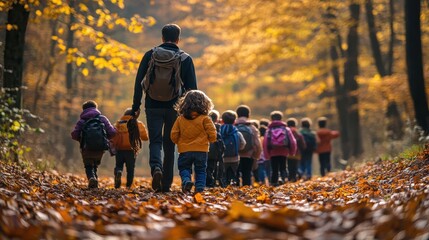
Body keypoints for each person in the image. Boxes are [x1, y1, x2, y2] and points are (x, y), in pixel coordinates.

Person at [131, 23, 197, 192]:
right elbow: (192, 89)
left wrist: (136, 105)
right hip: (175, 107)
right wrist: (190, 111)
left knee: (155, 141)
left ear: (162, 37)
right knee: (170, 143)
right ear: (178, 38)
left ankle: (156, 169)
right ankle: (166, 184)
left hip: (152, 105)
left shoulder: (150, 55)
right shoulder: (185, 58)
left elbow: (139, 81)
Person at [170, 90, 217, 193]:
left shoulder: (180, 119)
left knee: (184, 168)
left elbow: (174, 135)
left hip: (184, 150)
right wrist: (210, 140)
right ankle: (199, 189)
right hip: (201, 149)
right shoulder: (205, 119)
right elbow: (212, 133)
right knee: (200, 170)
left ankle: (186, 181)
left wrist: (179, 142)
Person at [71, 100, 116, 189]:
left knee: (88, 165)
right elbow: (112, 132)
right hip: (100, 147)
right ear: (96, 108)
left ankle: (92, 178)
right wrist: (107, 138)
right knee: (95, 164)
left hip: (86, 147)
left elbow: (74, 134)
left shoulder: (82, 120)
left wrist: (80, 139)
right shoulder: (102, 118)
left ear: (84, 110)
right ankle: (95, 181)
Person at [111, 108, 149, 189]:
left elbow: (113, 136)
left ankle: (118, 172)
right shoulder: (138, 124)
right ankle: (128, 185)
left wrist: (113, 146)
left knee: (118, 165)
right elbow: (145, 137)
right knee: (130, 168)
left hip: (119, 149)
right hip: (131, 149)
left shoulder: (118, 124)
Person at [263, 111, 297, 186]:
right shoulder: (286, 129)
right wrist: (292, 152)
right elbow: (292, 141)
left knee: (274, 168)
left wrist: (266, 154)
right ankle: (284, 180)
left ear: (271, 119)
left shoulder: (269, 130)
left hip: (273, 151)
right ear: (281, 118)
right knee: (283, 167)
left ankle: (274, 183)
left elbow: (265, 142)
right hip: (284, 151)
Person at [235, 105, 262, 186]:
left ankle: (234, 189)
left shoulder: (234, 126)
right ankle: (246, 189)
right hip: (248, 154)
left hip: (235, 155)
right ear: (248, 114)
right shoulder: (252, 127)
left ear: (237, 114)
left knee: (235, 173)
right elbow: (257, 143)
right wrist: (256, 156)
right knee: (246, 173)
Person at [220, 110, 246, 186]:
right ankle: (235, 185)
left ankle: (224, 186)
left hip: (223, 158)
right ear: (234, 121)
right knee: (235, 173)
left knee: (223, 174)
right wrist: (237, 149)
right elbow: (243, 143)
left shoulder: (219, 131)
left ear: (222, 121)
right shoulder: (237, 133)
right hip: (235, 157)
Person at [206, 110, 225, 188]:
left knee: (205, 168)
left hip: (205, 150)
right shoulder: (218, 127)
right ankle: (212, 182)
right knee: (213, 168)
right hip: (215, 153)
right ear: (217, 119)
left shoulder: (205, 125)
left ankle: (205, 182)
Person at [286, 118, 306, 182]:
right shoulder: (298, 133)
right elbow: (303, 145)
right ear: (295, 125)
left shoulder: (285, 132)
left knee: (289, 166)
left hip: (288, 153)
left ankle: (289, 178)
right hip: (297, 153)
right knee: (295, 166)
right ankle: (294, 178)